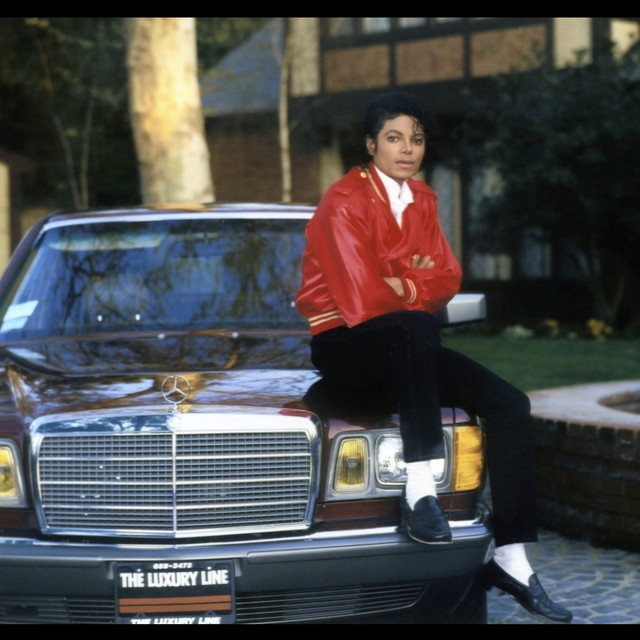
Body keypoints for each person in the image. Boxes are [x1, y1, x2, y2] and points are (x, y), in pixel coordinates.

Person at [295, 91, 573, 624]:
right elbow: (363, 298)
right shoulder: (343, 201)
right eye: (394, 138)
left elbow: (447, 278)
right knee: (417, 324)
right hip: (345, 348)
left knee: (510, 404)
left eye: (417, 139)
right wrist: (411, 280)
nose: (407, 149)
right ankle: (419, 491)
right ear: (371, 144)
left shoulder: (422, 199)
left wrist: (401, 281)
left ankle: (512, 559)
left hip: (408, 349)